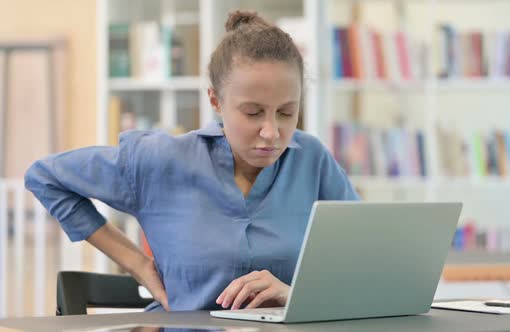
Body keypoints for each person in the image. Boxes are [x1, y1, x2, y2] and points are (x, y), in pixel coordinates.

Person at [25, 10, 359, 312]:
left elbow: (365, 262)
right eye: (253, 112)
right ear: (215, 100)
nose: (271, 132)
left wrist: (294, 293)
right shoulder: (159, 160)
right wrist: (138, 264)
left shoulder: (312, 160)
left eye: (287, 112)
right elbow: (45, 177)